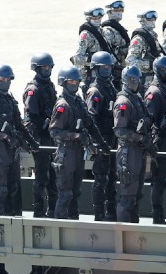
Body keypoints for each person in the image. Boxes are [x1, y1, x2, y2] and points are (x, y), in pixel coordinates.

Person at [49, 66, 109, 220]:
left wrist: (101, 143)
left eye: (77, 81)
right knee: (65, 194)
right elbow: (54, 132)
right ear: (64, 82)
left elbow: (90, 124)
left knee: (76, 192)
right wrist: (75, 135)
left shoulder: (78, 102)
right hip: (66, 153)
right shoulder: (63, 105)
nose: (74, 84)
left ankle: (73, 222)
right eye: (71, 81)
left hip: (77, 152)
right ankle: (60, 226)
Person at [0, 65, 39, 216]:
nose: (6, 82)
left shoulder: (9, 100)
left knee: (13, 187)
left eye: (8, 79)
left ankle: (14, 218)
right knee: (0, 190)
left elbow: (19, 123)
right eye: (3, 79)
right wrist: (3, 136)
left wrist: (31, 142)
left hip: (12, 150)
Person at [113, 65, 151, 223]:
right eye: (132, 79)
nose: (135, 82)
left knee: (136, 195)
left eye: (137, 79)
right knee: (127, 196)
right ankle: (122, 233)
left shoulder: (137, 99)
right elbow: (120, 131)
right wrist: (139, 137)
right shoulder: (123, 102)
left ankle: (133, 229)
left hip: (138, 151)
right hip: (128, 153)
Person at [23, 52, 58, 218]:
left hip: (50, 137)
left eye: (50, 67)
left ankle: (53, 208)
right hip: (40, 138)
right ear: (37, 68)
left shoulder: (49, 85)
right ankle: (39, 210)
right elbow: (32, 116)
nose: (48, 70)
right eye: (45, 67)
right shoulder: (33, 89)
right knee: (42, 176)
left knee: (53, 175)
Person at [85, 51, 119, 221]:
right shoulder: (95, 91)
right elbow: (91, 118)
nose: (107, 70)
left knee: (112, 177)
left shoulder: (110, 87)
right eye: (103, 67)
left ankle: (111, 212)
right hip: (101, 140)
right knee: (101, 178)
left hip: (112, 139)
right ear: (96, 69)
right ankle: (99, 214)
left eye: (109, 67)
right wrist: (96, 143)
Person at [145, 56, 166, 224]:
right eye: (164, 70)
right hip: (160, 140)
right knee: (160, 180)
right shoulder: (154, 92)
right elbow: (148, 120)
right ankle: (157, 216)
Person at [72, 7, 112, 93]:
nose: (98, 20)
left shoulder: (102, 31)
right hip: (92, 75)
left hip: (104, 73)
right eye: (95, 18)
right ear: (89, 19)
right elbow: (78, 58)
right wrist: (93, 62)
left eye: (99, 18)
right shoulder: (86, 34)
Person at [126, 8, 163, 87]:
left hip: (154, 78)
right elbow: (130, 61)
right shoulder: (138, 39)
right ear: (142, 20)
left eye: (154, 17)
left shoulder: (153, 36)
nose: (153, 19)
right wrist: (149, 64)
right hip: (143, 79)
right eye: (149, 18)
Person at [100, 0, 130, 90]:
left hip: (122, 64)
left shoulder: (119, 28)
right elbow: (106, 49)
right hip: (114, 69)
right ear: (109, 12)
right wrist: (116, 66)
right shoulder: (107, 30)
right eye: (116, 11)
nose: (119, 13)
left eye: (121, 10)